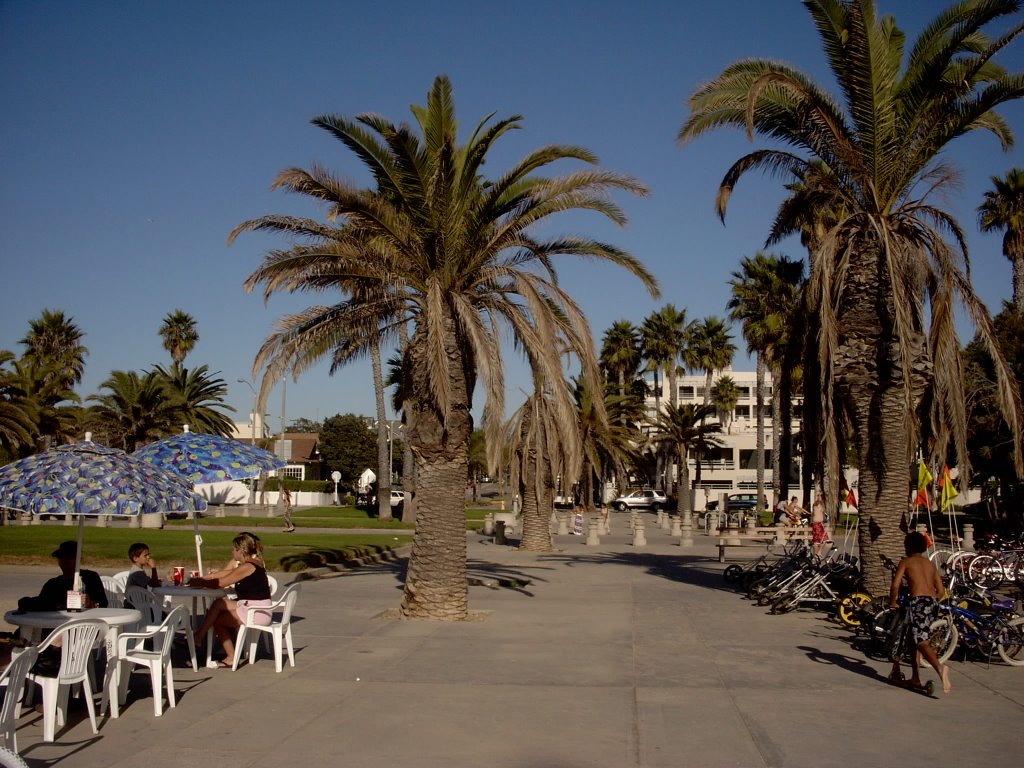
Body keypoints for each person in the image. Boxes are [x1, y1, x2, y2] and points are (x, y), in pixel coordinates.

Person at [190, 532, 272, 667]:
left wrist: (200, 582)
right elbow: (227, 573)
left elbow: (221, 583)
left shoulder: (247, 567)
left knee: (218, 620)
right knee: (218, 604)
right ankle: (199, 637)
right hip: (253, 605)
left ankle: (231, 657)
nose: (232, 551)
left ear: (241, 550)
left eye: (234, 548)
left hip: (257, 612)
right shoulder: (252, 563)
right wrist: (205, 578)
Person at [888, 531, 952, 694]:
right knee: (912, 639)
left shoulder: (906, 562)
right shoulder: (929, 564)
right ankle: (915, 677)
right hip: (932, 602)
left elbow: (895, 585)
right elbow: (941, 590)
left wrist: (893, 602)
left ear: (907, 547)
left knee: (920, 640)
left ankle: (940, 668)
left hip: (918, 602)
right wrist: (931, 601)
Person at [18, 540, 107, 612]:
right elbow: (39, 603)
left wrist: (91, 604)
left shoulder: (90, 577)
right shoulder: (53, 584)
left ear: (78, 559)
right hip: (55, 627)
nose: (64, 560)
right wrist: (59, 606)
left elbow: (103, 604)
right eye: (61, 557)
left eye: (69, 557)